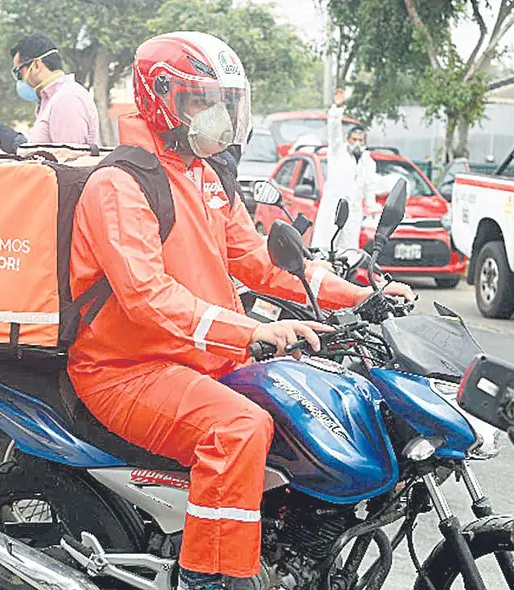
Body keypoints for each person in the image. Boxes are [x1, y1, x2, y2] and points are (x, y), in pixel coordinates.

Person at [68, 32, 414, 590]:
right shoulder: (120, 184)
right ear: (163, 98)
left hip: (195, 357)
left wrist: (362, 298)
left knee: (312, 402)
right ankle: (213, 578)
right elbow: (146, 296)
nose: (217, 116)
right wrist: (253, 331)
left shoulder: (204, 177)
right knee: (238, 428)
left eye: (223, 102)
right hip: (125, 369)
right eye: (202, 100)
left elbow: (261, 263)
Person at [310, 87, 378, 252]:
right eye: (354, 139)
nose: (357, 143)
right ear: (348, 140)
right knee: (325, 248)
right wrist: (336, 108)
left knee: (349, 252)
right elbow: (333, 130)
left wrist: (372, 207)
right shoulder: (337, 151)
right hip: (333, 207)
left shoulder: (368, 161)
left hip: (354, 212)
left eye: (360, 140)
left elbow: (369, 187)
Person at [11, 32, 99, 144]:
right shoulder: (51, 101)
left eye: (18, 73)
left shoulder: (67, 99)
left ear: (36, 65)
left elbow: (70, 158)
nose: (19, 80)